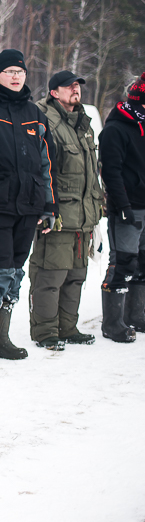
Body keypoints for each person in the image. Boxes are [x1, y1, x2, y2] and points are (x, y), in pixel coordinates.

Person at [0, 49, 56, 363]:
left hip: (27, 207)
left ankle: (0, 339)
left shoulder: (35, 114)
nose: (16, 77)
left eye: (21, 71)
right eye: (10, 71)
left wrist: (49, 206)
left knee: (14, 275)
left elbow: (45, 165)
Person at [28, 70, 103, 350]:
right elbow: (41, 170)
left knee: (75, 277)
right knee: (50, 276)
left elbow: (92, 173)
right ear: (54, 92)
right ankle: (46, 332)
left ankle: (68, 327)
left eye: (78, 86)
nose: (75, 89)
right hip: (58, 214)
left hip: (84, 217)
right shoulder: (43, 120)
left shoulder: (84, 122)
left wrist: (96, 209)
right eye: (69, 86)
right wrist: (46, 207)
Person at [98, 72, 145, 342]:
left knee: (143, 264)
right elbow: (111, 172)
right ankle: (112, 324)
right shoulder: (116, 128)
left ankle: (136, 316)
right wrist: (122, 204)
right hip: (127, 208)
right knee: (123, 264)